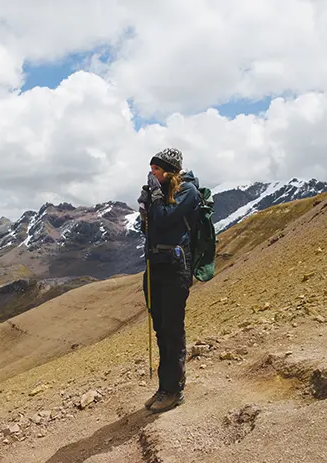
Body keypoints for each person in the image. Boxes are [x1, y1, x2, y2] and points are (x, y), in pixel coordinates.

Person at [137, 147, 201, 413]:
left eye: (156, 169)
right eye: (151, 169)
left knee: (173, 330)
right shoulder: (160, 194)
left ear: (169, 170)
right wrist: (145, 206)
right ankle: (165, 387)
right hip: (156, 267)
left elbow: (164, 220)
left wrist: (154, 198)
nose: (152, 173)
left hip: (175, 268)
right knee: (161, 329)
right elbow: (149, 228)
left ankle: (174, 390)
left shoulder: (188, 192)